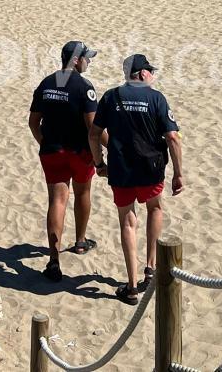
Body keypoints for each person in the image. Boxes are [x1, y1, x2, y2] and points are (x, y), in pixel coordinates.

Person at [89, 54, 183, 304]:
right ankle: (150, 267)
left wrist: (99, 163)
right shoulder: (156, 98)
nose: (152, 75)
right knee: (155, 208)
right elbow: (172, 137)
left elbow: (94, 134)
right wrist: (179, 173)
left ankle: (131, 286)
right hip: (151, 168)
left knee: (128, 222)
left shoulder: (111, 96)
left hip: (121, 169)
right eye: (149, 71)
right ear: (142, 74)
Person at [29, 41, 104, 282]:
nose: (88, 61)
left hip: (52, 151)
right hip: (79, 152)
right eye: (86, 57)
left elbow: (33, 122)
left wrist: (44, 142)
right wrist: (109, 149)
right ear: (76, 60)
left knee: (57, 200)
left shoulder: (47, 83)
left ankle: (53, 259)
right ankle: (80, 241)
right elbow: (93, 127)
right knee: (82, 193)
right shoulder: (84, 87)